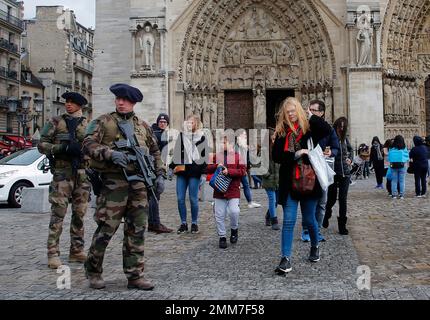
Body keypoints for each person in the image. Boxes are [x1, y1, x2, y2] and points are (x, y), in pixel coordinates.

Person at [83, 83, 165, 290]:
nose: (121, 102)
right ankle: (93, 271)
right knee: (106, 229)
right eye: (118, 99)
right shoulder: (104, 122)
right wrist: (109, 154)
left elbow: (155, 151)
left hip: (138, 184)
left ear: (134, 103)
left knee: (137, 230)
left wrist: (160, 174)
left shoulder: (143, 126)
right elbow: (87, 144)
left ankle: (135, 275)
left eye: (126, 100)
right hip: (113, 183)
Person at [272, 97, 332, 275]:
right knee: (288, 221)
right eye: (287, 112)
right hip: (289, 182)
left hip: (308, 181)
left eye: (293, 111)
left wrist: (310, 116)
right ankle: (285, 259)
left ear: (299, 110)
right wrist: (296, 153)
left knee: (309, 220)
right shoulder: (281, 132)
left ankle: (315, 246)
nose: (291, 115)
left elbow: (327, 129)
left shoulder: (309, 128)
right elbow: (276, 157)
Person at [37, 91, 90, 269]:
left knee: (80, 214)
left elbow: (96, 145)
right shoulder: (55, 122)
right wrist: (62, 148)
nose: (68, 105)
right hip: (62, 174)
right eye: (66, 102)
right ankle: (53, 253)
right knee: (58, 214)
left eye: (72, 102)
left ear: (80, 106)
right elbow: (41, 144)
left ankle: (76, 250)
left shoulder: (88, 124)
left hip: (82, 174)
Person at [300, 100, 339, 243]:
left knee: (322, 202)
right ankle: (306, 230)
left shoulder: (328, 129)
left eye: (313, 110)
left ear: (321, 113)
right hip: (309, 168)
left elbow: (336, 147)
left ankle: (316, 230)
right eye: (308, 110)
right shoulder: (306, 127)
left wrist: (331, 153)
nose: (309, 112)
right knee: (308, 201)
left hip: (322, 168)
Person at [170, 115, 208, 234]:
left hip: (194, 172)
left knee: (193, 199)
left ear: (196, 124)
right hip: (182, 171)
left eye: (191, 122)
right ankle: (183, 223)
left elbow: (204, 157)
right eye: (187, 122)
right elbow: (176, 152)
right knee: (180, 198)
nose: (188, 124)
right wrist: (171, 167)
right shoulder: (182, 136)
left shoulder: (201, 137)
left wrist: (202, 173)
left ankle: (194, 223)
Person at [206, 137, 246, 249]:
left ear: (231, 144)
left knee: (234, 211)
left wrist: (229, 172)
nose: (221, 144)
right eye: (221, 142)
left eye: (224, 142)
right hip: (219, 189)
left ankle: (234, 229)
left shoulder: (239, 156)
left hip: (233, 189)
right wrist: (216, 166)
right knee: (219, 214)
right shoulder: (216, 155)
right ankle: (222, 237)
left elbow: (243, 171)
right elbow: (206, 168)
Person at [323, 117, 353, 235]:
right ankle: (327, 214)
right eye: (339, 126)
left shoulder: (345, 139)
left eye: (343, 127)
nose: (341, 128)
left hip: (345, 173)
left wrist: (350, 159)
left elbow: (351, 150)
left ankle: (342, 225)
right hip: (334, 172)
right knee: (331, 198)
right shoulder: (331, 137)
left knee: (343, 199)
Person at [147, 113, 173, 233]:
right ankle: (155, 224)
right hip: (154, 168)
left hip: (156, 167)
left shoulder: (158, 133)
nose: (162, 124)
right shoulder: (156, 134)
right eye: (161, 122)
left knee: (153, 195)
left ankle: (153, 222)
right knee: (154, 194)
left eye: (164, 122)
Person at [236, 130, 261, 208]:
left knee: (243, 185)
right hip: (239, 168)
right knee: (239, 185)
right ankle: (246, 202)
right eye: (244, 134)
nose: (246, 136)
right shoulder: (239, 145)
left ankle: (247, 202)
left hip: (241, 168)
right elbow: (239, 158)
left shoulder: (242, 145)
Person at [262, 128, 280, 230]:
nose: (274, 141)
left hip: (277, 180)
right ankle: (274, 221)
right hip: (269, 180)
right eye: (272, 139)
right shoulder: (264, 150)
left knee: (277, 201)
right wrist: (267, 174)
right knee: (272, 200)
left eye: (275, 139)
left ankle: (268, 215)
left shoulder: (279, 148)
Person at [388, 135, 409, 199]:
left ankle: (394, 194)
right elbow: (407, 157)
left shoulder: (391, 148)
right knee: (402, 180)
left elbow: (389, 157)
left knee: (394, 180)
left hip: (393, 165)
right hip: (402, 165)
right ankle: (401, 194)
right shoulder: (404, 148)